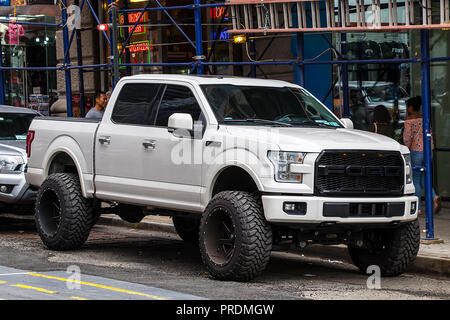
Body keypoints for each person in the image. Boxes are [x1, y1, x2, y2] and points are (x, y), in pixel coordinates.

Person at [403, 96, 441, 215]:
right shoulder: (424, 118)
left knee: (416, 179)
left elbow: (407, 138)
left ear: (410, 107)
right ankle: (434, 197)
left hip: (416, 151)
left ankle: (418, 208)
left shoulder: (409, 120)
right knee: (425, 177)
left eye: (407, 106)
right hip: (428, 151)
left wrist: (406, 147)